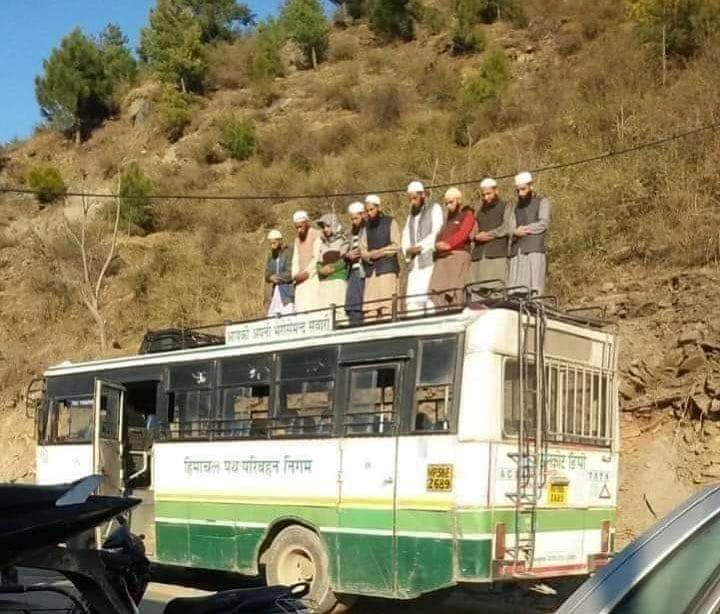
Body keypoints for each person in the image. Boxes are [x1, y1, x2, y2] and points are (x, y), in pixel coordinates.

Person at [401, 181, 444, 313]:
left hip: (429, 260)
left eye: (415, 198)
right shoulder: (411, 216)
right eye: (410, 199)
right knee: (412, 301)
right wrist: (408, 249)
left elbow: (438, 230)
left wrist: (421, 246)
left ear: (423, 195)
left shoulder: (434, 208)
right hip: (414, 264)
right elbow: (405, 236)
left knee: (428, 299)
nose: (412, 202)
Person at [429, 187, 475, 308]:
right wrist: (437, 245)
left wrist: (449, 244)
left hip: (458, 255)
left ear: (458, 200)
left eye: (451, 202)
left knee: (456, 291)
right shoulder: (445, 219)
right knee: (437, 290)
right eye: (446, 203)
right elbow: (439, 235)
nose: (448, 205)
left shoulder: (467, 215)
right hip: (442, 258)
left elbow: (463, 233)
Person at [508, 171, 552, 296]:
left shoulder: (542, 201)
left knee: (534, 289)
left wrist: (524, 229)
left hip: (534, 250)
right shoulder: (515, 206)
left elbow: (543, 223)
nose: (520, 193)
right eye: (518, 190)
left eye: (523, 189)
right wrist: (515, 231)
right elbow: (510, 226)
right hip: (517, 252)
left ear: (531, 186)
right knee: (516, 289)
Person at [360, 194, 401, 320]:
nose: (369, 213)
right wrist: (369, 255)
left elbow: (396, 246)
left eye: (371, 209)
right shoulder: (365, 227)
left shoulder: (391, 222)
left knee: (387, 308)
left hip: (387, 270)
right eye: (367, 210)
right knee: (370, 310)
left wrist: (381, 252)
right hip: (371, 272)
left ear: (378, 208)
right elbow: (362, 249)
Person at [471, 177, 512, 286]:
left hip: (497, 255)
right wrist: (475, 237)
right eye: (483, 195)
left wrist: (490, 234)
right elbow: (473, 230)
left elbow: (506, 227)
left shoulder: (506, 205)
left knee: (496, 290)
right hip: (479, 257)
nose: (486, 197)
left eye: (489, 194)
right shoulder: (479, 210)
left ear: (496, 191)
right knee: (477, 292)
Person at [315, 212, 348, 312]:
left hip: (338, 282)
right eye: (324, 227)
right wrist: (321, 271)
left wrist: (333, 268)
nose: (325, 229)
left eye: (328, 226)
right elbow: (318, 263)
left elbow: (345, 260)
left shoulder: (343, 241)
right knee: (324, 313)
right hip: (325, 284)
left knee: (338, 312)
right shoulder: (323, 244)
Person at [291, 210, 322, 312]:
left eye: (301, 226)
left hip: (313, 278)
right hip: (300, 281)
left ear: (306, 223)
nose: (299, 230)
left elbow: (316, 257)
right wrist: (295, 275)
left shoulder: (316, 234)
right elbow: (295, 260)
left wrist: (307, 273)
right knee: (300, 310)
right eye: (297, 228)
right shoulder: (297, 240)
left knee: (313, 309)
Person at [344, 202, 366, 325]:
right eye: (352, 219)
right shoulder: (350, 233)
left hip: (365, 272)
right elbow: (345, 250)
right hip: (353, 272)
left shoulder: (368, 230)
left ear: (363, 215)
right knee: (352, 305)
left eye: (356, 218)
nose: (354, 222)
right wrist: (348, 255)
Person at [264, 230, 295, 317]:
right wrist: (270, 277)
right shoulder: (271, 255)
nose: (272, 245)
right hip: (275, 292)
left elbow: (290, 273)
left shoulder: (289, 251)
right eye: (270, 243)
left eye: (274, 243)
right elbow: (267, 273)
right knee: (272, 319)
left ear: (280, 241)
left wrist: (277, 278)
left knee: (289, 317)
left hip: (287, 292)